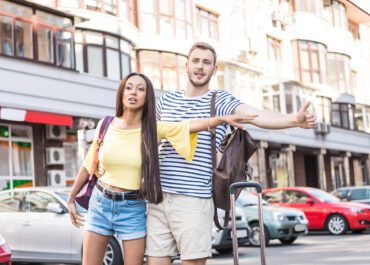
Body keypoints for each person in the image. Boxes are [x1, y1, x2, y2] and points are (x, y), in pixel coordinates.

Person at [146, 42, 317, 265]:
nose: (200, 66)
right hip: (159, 199)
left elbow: (256, 115)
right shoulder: (165, 101)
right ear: (186, 65)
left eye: (206, 62)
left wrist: (293, 120)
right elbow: (147, 140)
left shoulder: (220, 100)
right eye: (196, 61)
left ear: (214, 69)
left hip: (194, 199)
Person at [66, 72, 257, 265]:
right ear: (121, 93)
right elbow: (88, 165)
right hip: (100, 203)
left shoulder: (153, 129)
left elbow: (190, 126)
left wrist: (222, 119)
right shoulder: (106, 124)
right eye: (129, 87)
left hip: (132, 208)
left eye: (141, 89)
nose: (133, 92)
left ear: (147, 98)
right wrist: (71, 198)